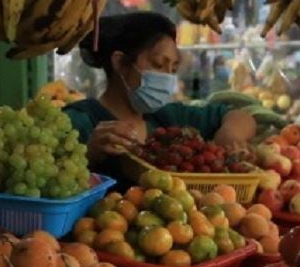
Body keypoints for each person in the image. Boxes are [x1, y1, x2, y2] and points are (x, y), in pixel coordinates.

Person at [64, 10, 256, 175]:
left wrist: (230, 135)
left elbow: (241, 116)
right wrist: (88, 155)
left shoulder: (170, 118)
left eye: (173, 68)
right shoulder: (79, 121)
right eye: (158, 64)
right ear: (120, 62)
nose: (167, 77)